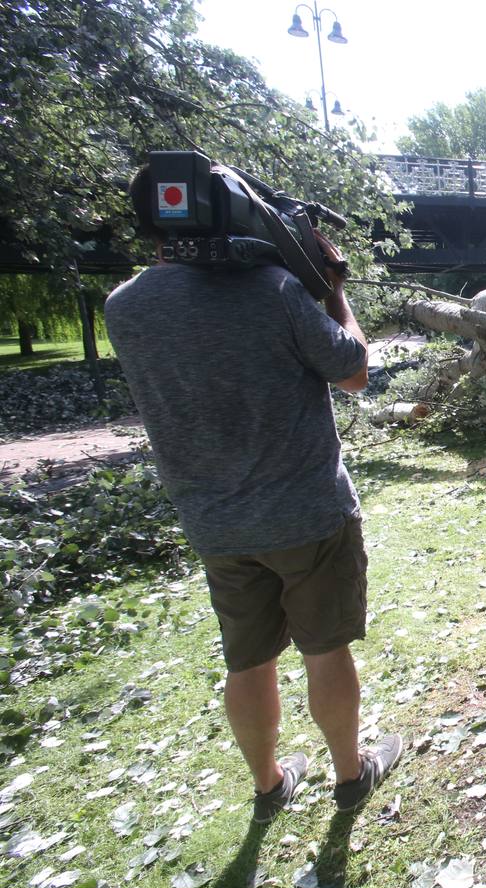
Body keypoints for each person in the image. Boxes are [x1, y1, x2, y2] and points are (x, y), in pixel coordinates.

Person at [105, 165, 402, 824]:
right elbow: (354, 373)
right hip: (308, 514)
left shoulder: (123, 307)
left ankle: (269, 784)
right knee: (325, 649)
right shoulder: (274, 291)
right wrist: (330, 291)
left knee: (248, 659)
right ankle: (350, 777)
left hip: (216, 525)